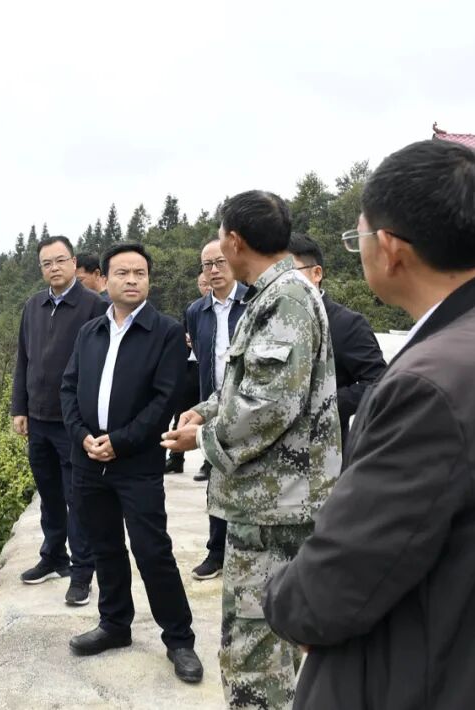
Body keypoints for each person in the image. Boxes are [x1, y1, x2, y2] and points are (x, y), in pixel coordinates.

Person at [263, 140, 475, 709]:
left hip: (426, 680)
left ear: (389, 248)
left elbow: (335, 587)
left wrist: (282, 598)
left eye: (357, 235)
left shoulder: (431, 383)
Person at [162, 191, 340, 708]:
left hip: (276, 507)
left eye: (221, 238)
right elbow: (251, 383)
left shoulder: (285, 299)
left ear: (235, 242)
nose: (219, 249)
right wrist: (207, 410)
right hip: (271, 502)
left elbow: (270, 405)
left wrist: (203, 439)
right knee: (273, 643)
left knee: (255, 653)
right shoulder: (272, 294)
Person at [60, 242, 203, 683]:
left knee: (151, 550)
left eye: (140, 273)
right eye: (122, 273)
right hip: (89, 460)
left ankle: (178, 639)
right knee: (104, 545)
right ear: (105, 279)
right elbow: (68, 389)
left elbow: (164, 401)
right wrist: (83, 437)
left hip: (136, 463)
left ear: (149, 280)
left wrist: (118, 443)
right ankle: (114, 624)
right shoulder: (90, 332)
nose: (132, 280)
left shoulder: (165, 332)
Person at [11, 235, 108, 606]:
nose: (54, 268)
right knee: (49, 494)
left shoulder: (94, 306)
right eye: (47, 263)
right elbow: (24, 359)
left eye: (60, 260)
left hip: (74, 423)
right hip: (38, 420)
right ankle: (54, 557)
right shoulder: (33, 306)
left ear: (73, 262)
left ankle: (82, 573)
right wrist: (19, 408)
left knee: (77, 497)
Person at [182, 239, 249, 582]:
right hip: (212, 405)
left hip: (249, 404)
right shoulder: (196, 311)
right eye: (207, 264)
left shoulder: (253, 302)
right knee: (216, 480)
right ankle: (217, 551)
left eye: (220, 262)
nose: (214, 270)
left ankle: (247, 549)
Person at [289, 233, 386, 445]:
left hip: (324, 451)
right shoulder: (269, 322)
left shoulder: (347, 324)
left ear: (316, 273)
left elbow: (378, 383)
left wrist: (320, 405)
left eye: (289, 273)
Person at [164, 272, 212, 475]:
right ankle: (176, 457)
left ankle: (209, 463)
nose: (207, 287)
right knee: (181, 413)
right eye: (203, 284)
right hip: (191, 367)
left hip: (210, 368)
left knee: (211, 414)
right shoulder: (193, 308)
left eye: (209, 284)